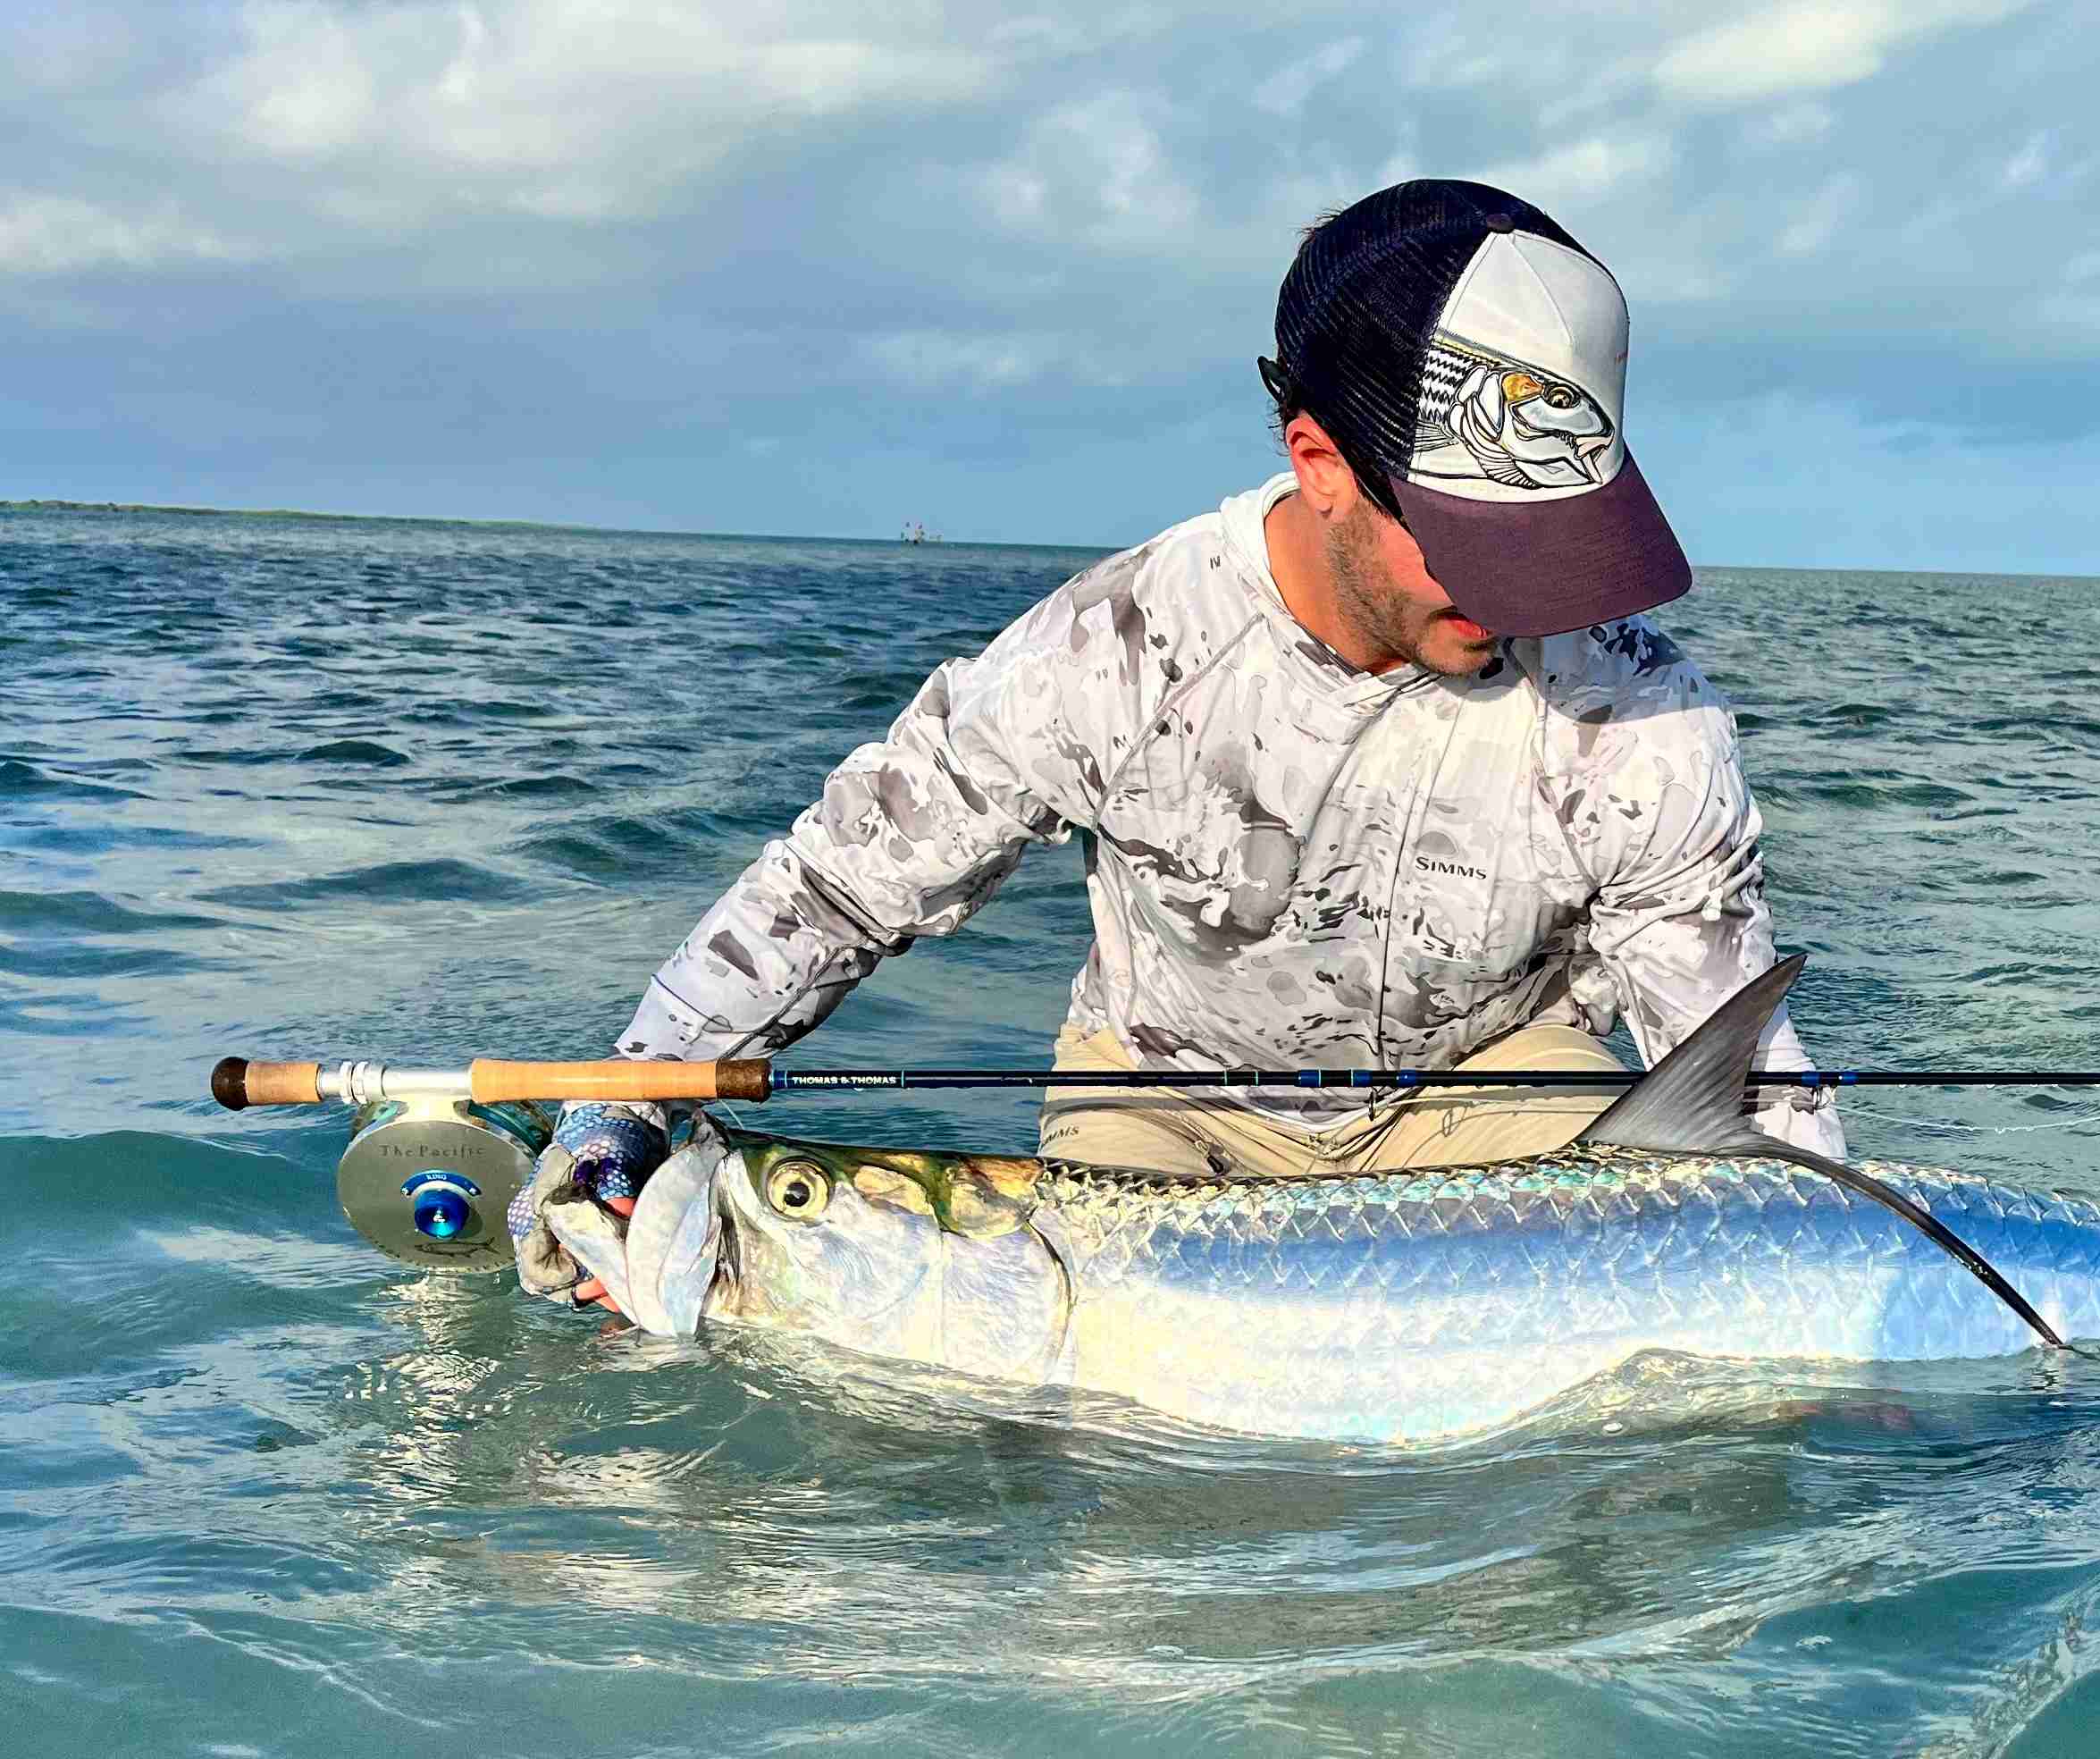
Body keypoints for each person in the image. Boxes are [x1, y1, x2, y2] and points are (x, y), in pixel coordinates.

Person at [512, 178, 1844, 1312]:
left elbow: (1742, 1077)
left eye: (1558, 539)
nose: (1525, 596)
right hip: (1167, 1106)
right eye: (1481, 541)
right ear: (1319, 460)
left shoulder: (1644, 718)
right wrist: (625, 1099)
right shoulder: (1116, 649)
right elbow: (840, 887)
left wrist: (1840, 1286)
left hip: (1494, 1085)